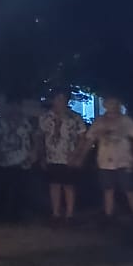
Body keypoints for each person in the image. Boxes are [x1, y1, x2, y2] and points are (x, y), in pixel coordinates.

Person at [85, 94, 133, 220]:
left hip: (124, 160)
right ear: (105, 105)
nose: (111, 105)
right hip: (105, 160)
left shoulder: (126, 121)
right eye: (109, 103)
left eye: (114, 103)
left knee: (129, 189)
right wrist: (82, 155)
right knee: (108, 189)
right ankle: (108, 215)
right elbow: (90, 139)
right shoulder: (99, 121)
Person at [39, 89, 86, 222]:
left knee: (68, 185)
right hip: (52, 156)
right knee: (54, 185)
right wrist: (41, 155)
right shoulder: (45, 117)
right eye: (58, 99)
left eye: (63, 99)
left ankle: (69, 214)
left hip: (69, 156)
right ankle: (56, 213)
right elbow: (41, 136)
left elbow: (82, 137)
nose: (60, 102)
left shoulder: (74, 117)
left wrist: (77, 154)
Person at [0, 97, 40, 221]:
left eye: (16, 106)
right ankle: (0, 213)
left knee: (20, 188)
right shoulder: (1, 122)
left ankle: (17, 213)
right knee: (3, 187)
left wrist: (34, 152)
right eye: (11, 106)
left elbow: (35, 137)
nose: (13, 109)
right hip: (4, 160)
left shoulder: (27, 122)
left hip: (23, 160)